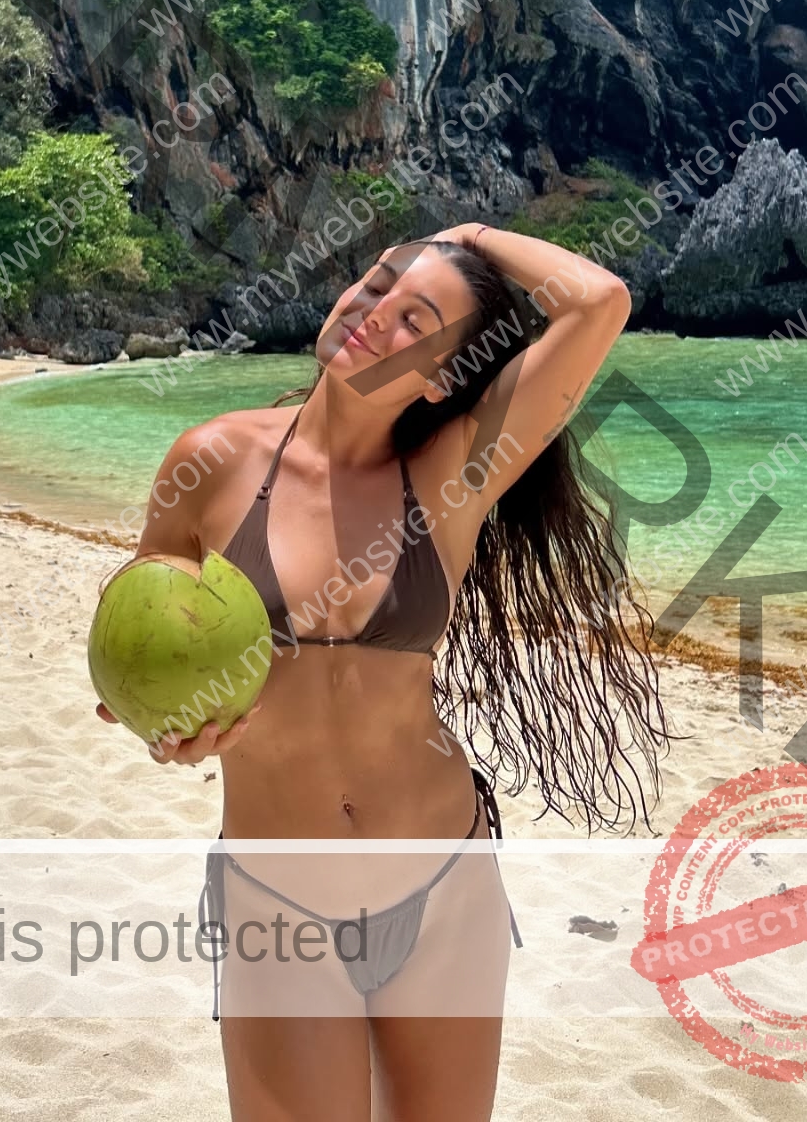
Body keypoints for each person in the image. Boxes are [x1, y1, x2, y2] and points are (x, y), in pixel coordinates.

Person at [95, 223, 670, 1121]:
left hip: (442, 883)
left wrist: (466, 233)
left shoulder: (453, 475)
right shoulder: (212, 459)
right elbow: (148, 632)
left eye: (416, 319)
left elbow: (598, 302)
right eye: (374, 285)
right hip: (277, 899)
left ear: (443, 376)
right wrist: (165, 727)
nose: (375, 313)